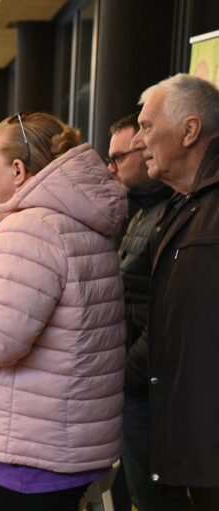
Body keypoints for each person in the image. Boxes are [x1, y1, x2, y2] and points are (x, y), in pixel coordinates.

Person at [0, 112, 126, 510]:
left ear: (18, 170)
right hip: (58, 439)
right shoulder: (75, 222)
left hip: (31, 447)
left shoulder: (29, 230)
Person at [129, 74, 219, 509]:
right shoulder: (182, 207)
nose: (138, 142)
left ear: (189, 130)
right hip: (192, 439)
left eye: (147, 127)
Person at [106, 114, 189, 511]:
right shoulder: (139, 211)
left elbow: (169, 313)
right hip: (137, 378)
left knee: (156, 498)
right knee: (136, 490)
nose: (112, 167)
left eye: (119, 156)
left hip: (147, 382)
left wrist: (127, 373)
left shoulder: (170, 213)